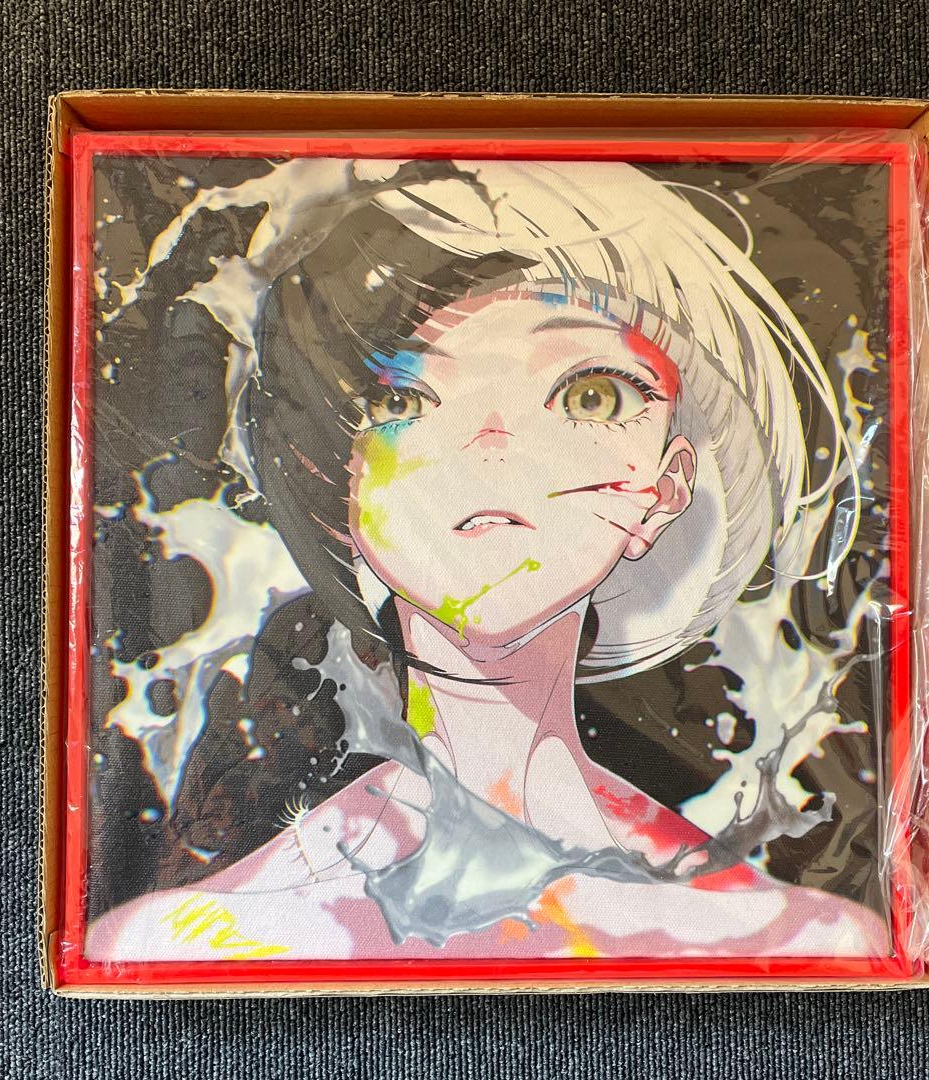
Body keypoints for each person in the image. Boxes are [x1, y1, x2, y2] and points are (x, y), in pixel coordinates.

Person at [87, 158, 885, 961]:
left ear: (667, 486)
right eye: (402, 399)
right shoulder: (178, 944)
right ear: (336, 477)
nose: (490, 445)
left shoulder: (798, 943)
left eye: (590, 396)